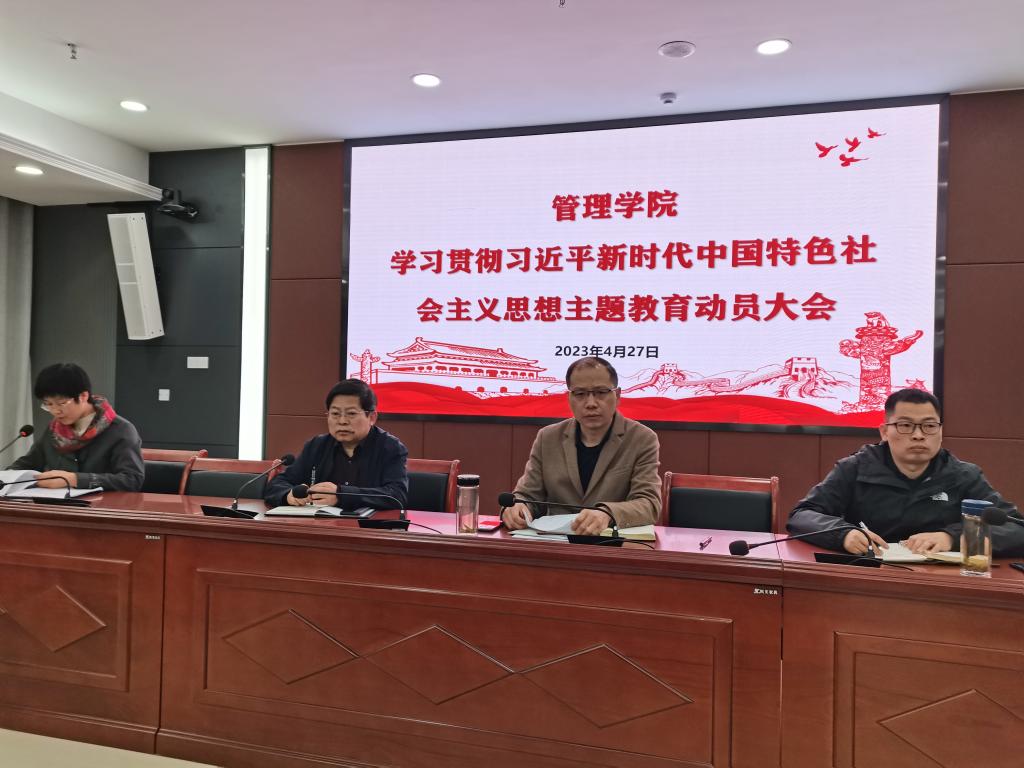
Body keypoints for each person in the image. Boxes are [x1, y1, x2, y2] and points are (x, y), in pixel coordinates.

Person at [788, 388, 1024, 556]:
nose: (918, 435)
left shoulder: (964, 476)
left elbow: (1016, 529)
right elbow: (802, 516)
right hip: (869, 576)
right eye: (905, 425)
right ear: (884, 432)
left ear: (940, 432)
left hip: (941, 582)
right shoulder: (855, 468)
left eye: (929, 426)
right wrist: (844, 535)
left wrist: (951, 537)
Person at [501, 356, 661, 535]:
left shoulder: (641, 439)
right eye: (580, 394)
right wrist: (518, 507)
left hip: (610, 542)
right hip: (554, 541)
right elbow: (527, 495)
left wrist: (607, 513)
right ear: (569, 397)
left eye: (601, 392)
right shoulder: (548, 437)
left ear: (617, 396)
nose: (591, 403)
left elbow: (649, 504)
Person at [264, 379, 408, 509]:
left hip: (368, 527)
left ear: (371, 417)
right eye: (335, 414)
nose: (342, 421)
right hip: (320, 525)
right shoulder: (316, 446)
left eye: (351, 414)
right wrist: (288, 495)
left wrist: (342, 495)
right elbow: (277, 484)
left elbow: (397, 495)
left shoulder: (390, 448)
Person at [6, 363, 144, 491]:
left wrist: (74, 479)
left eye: (61, 403)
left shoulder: (120, 430)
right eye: (48, 404)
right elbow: (27, 464)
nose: (55, 411)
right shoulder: (54, 430)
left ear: (83, 396)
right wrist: (7, 477)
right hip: (54, 504)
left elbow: (132, 480)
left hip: (101, 506)